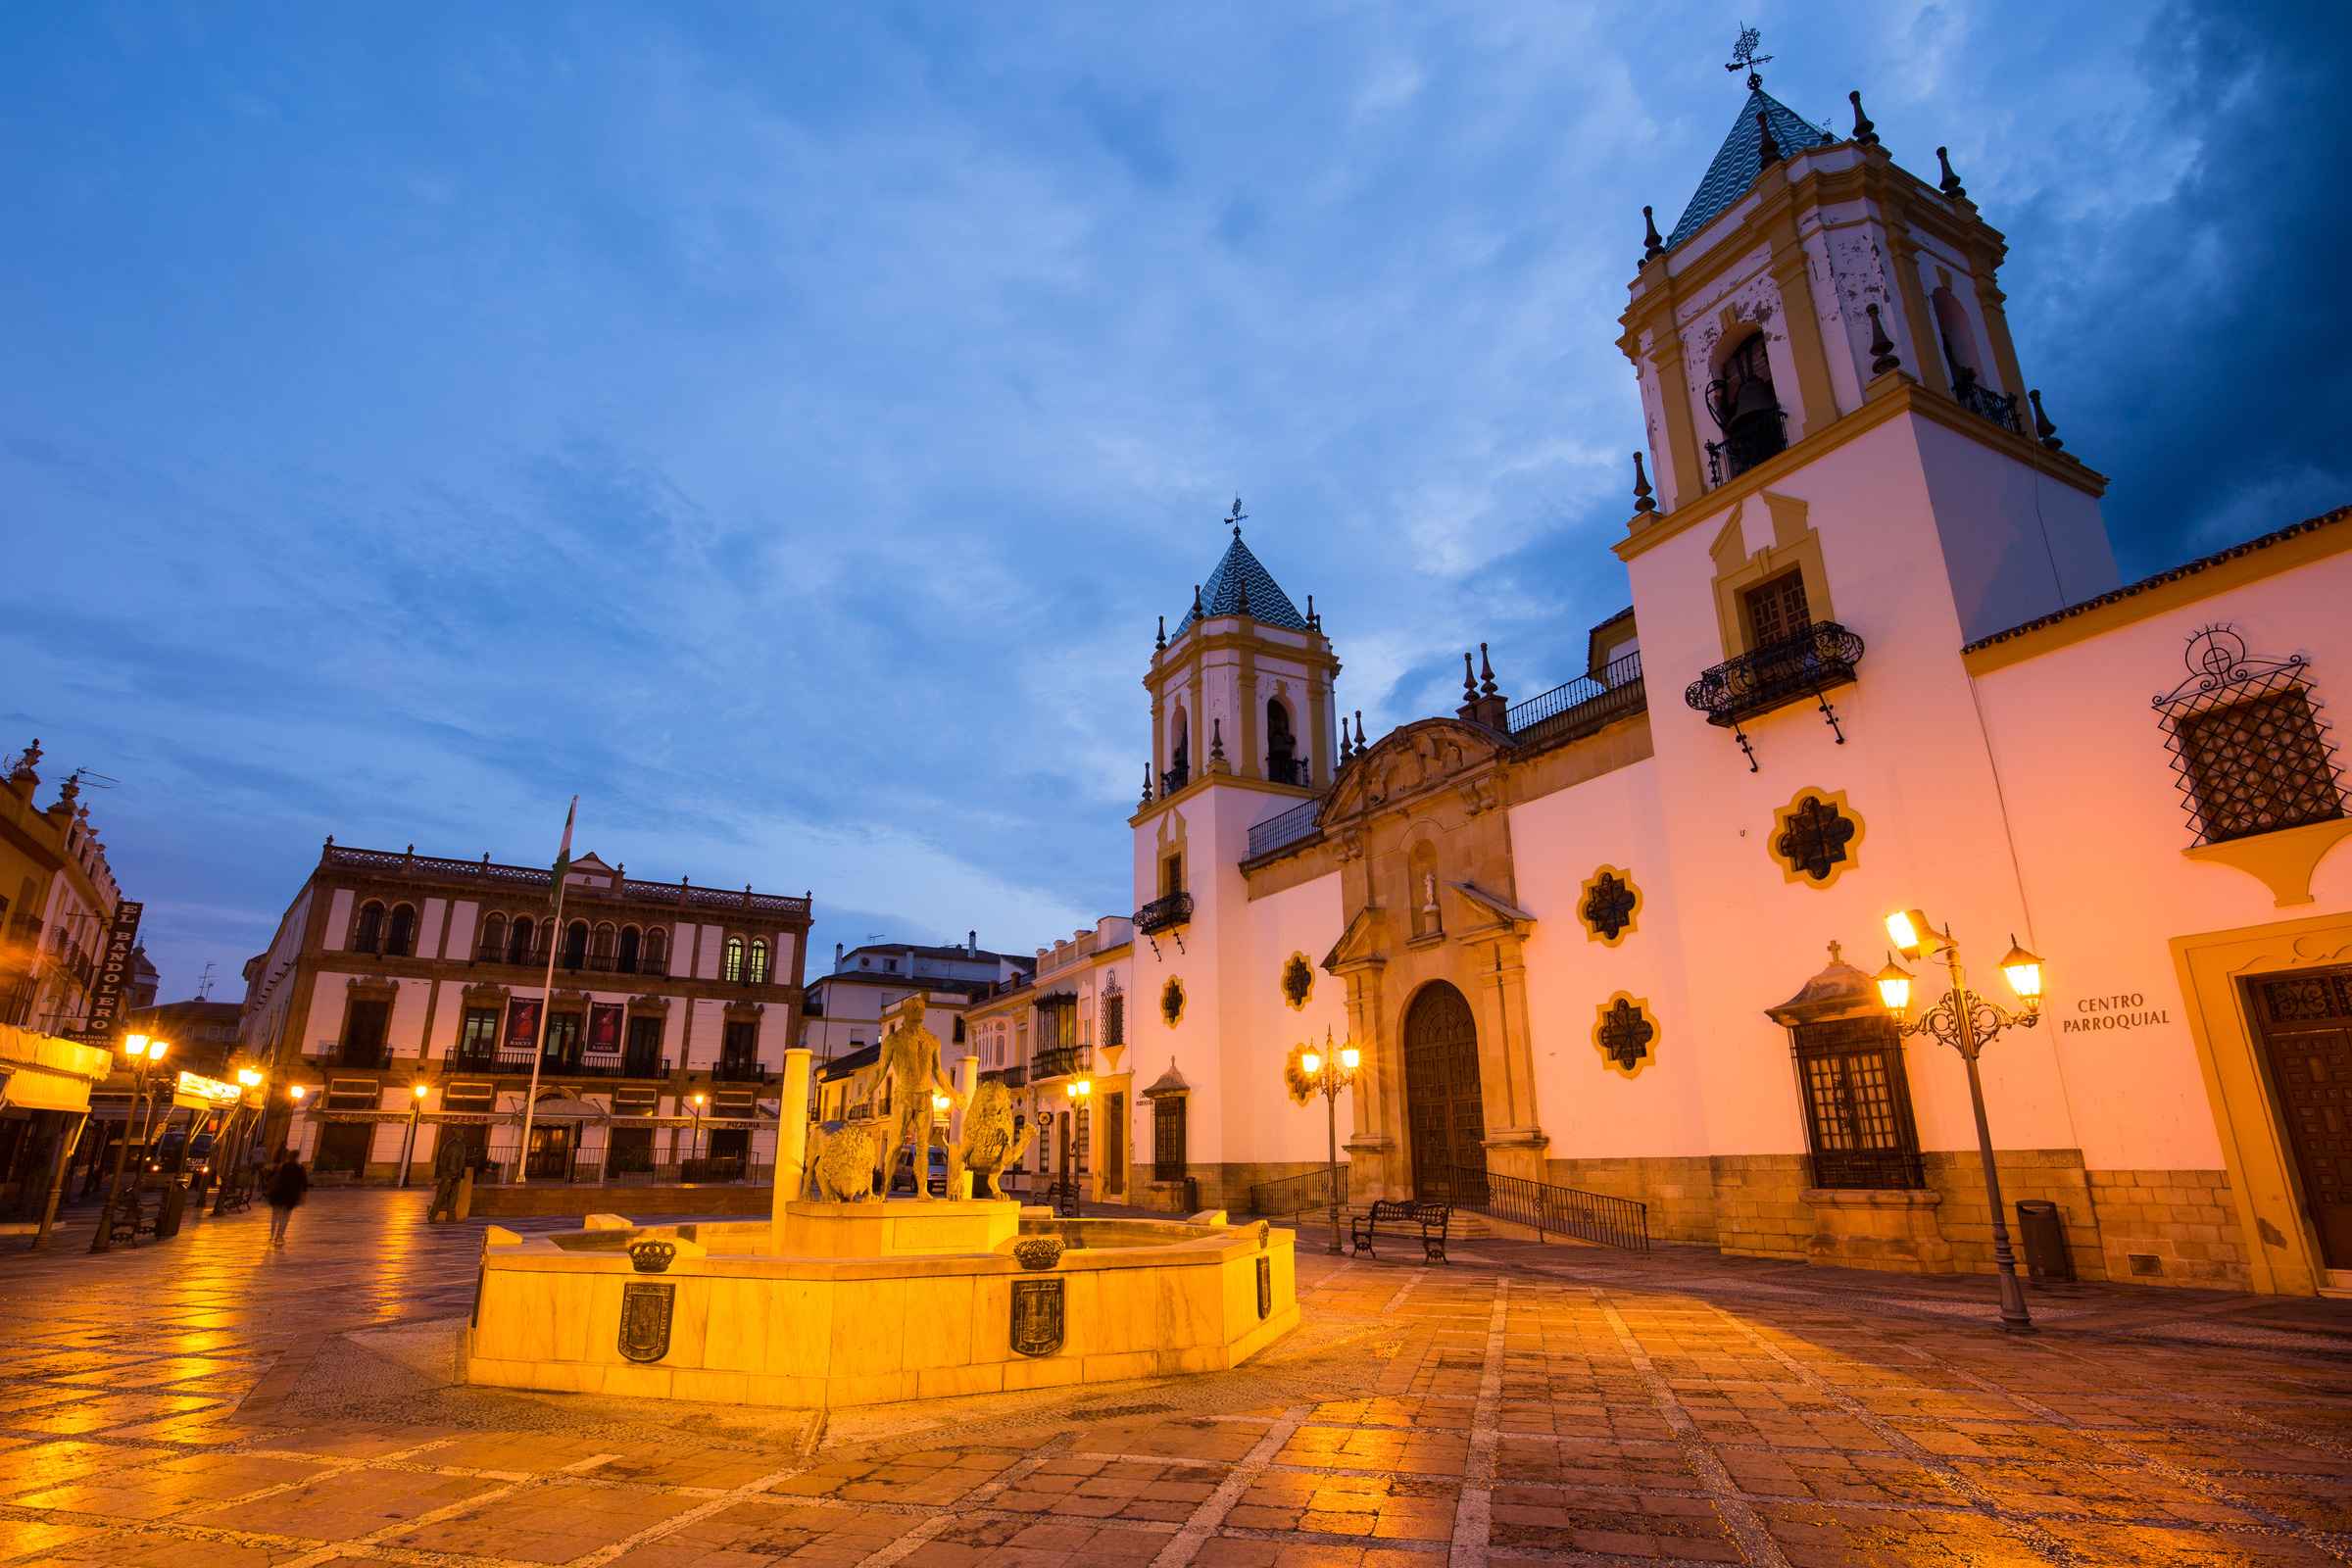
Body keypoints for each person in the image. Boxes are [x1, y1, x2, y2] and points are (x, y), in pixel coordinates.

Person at [266, 1149, 308, 1247]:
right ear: (297, 1157)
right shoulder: (300, 1168)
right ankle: (279, 1236)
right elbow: (304, 1183)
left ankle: (272, 1235)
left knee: (275, 1216)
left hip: (277, 1195)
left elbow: (269, 1178)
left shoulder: (280, 1166)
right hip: (289, 1196)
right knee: (285, 1217)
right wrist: (304, 1196)